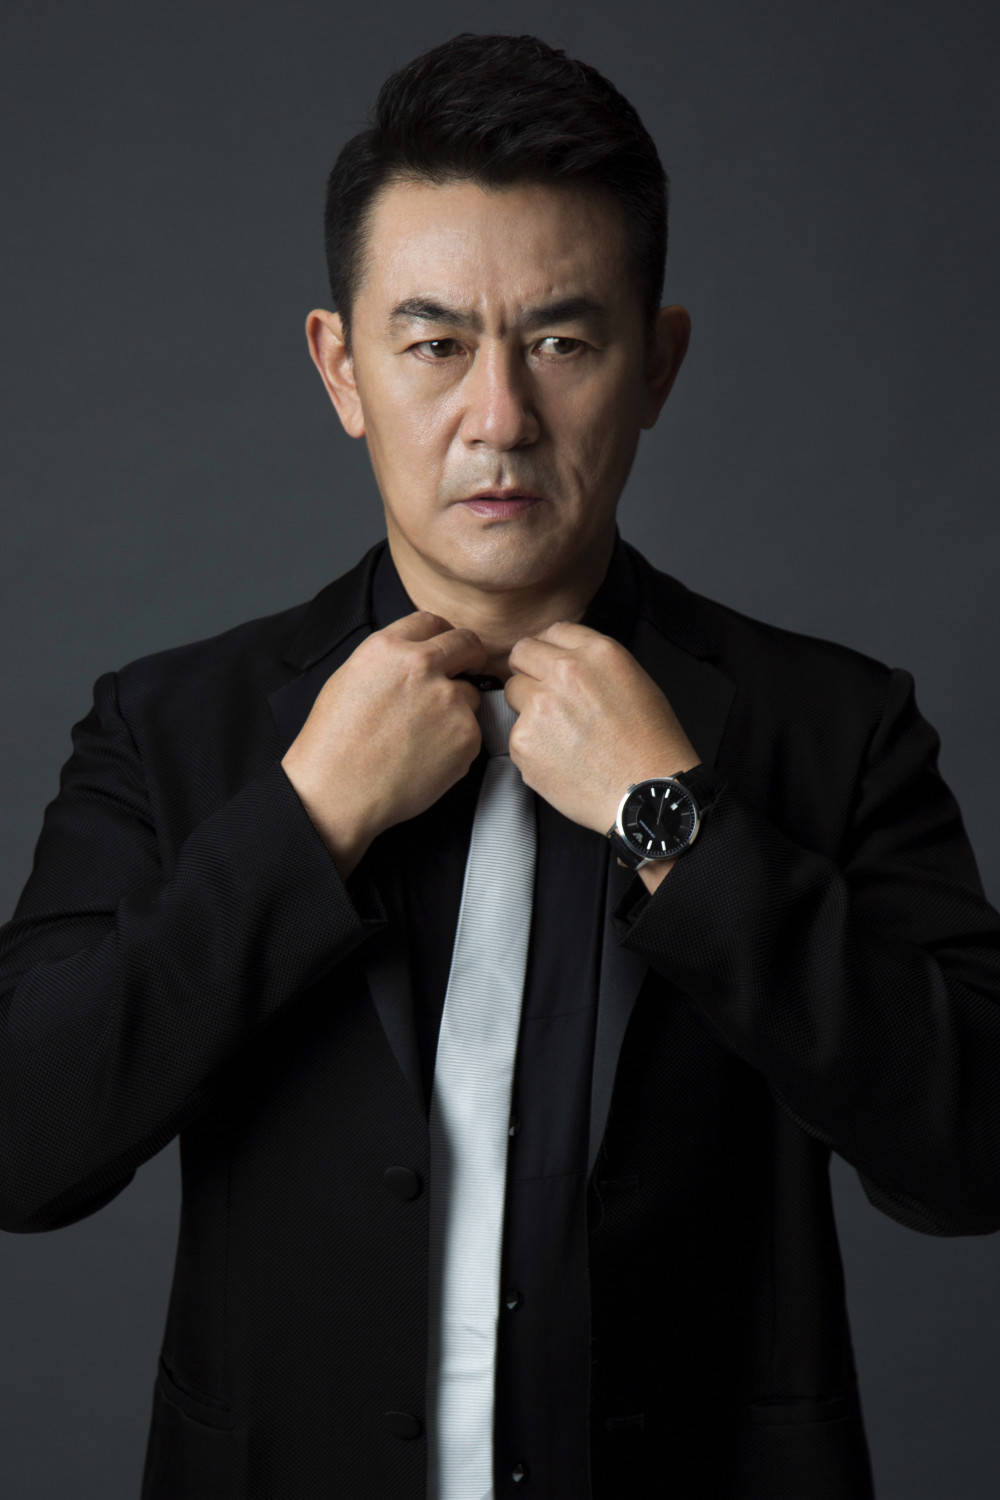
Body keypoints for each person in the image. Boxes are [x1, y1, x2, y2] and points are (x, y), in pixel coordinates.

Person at [1, 28, 999, 1500]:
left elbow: (974, 1157)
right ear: (341, 368)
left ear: (657, 365)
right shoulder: (171, 728)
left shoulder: (833, 726)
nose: (499, 419)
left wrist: (680, 828)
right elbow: (23, 1149)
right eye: (435, 345)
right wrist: (302, 821)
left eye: (561, 343)